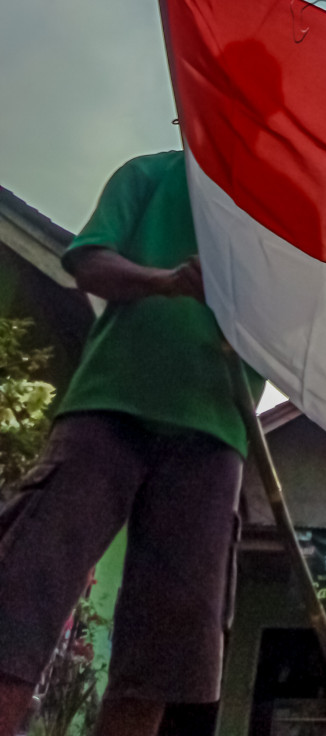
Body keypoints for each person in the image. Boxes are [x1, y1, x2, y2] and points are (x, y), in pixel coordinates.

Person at [0, 150, 263, 736]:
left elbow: (303, 323)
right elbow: (89, 262)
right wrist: (168, 282)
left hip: (214, 432)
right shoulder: (151, 175)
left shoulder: (279, 219)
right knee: (21, 592)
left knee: (164, 652)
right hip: (109, 409)